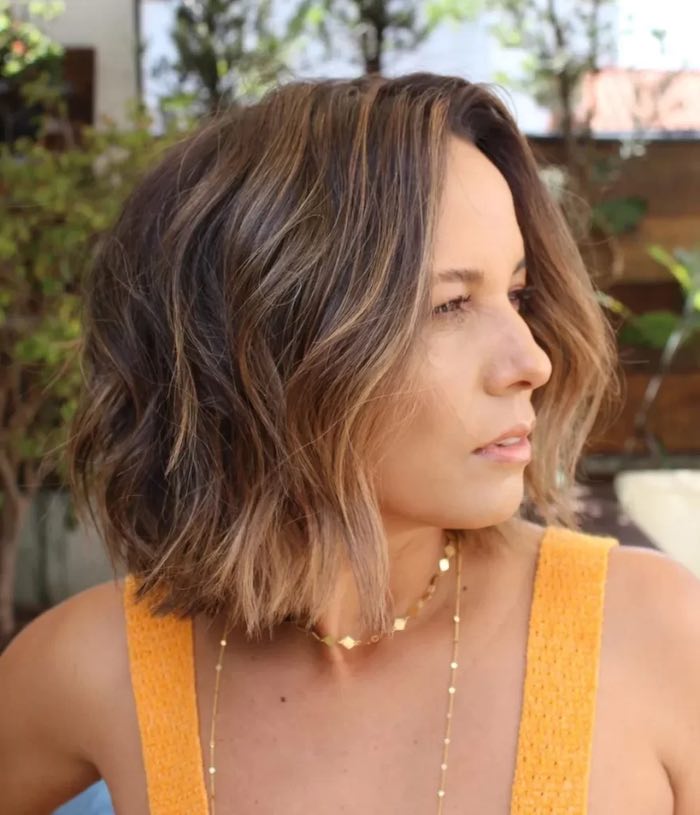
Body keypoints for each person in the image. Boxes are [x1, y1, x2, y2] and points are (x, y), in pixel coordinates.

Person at [1, 72, 698, 815]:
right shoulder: (98, 666)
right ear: (267, 343)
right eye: (450, 305)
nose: (533, 360)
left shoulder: (656, 636)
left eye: (518, 295)